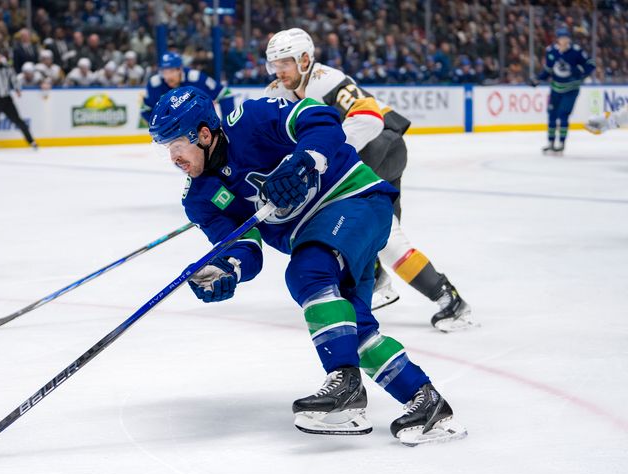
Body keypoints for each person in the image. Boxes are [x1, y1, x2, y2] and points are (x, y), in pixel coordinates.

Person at [149, 86, 467, 446]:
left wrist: (306, 159)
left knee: (307, 271)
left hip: (355, 198)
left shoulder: (251, 119)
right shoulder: (199, 199)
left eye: (177, 145)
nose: (173, 157)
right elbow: (245, 248)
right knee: (354, 330)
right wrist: (226, 270)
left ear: (204, 134)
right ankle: (426, 403)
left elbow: (320, 117)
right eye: (167, 149)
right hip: (329, 234)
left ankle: (345, 388)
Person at [264, 28, 475, 331]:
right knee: (372, 230)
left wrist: (319, 154)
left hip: (382, 145)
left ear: (305, 59)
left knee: (380, 232)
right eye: (274, 64)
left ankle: (447, 297)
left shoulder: (326, 79)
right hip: (362, 153)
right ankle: (380, 282)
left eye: (284, 62)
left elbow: (368, 119)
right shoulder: (278, 93)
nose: (278, 71)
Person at [532, 27, 595, 154]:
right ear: (558, 39)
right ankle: (550, 142)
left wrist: (580, 73)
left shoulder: (576, 51)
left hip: (571, 89)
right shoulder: (551, 51)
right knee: (552, 115)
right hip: (555, 89)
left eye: (566, 37)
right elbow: (548, 70)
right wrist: (538, 79)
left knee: (563, 114)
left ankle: (561, 143)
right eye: (561, 38)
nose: (564, 40)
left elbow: (591, 64)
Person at [141, 51, 234, 124]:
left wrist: (226, 123)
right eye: (164, 72)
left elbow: (225, 94)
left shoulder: (196, 79)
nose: (167, 76)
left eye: (171, 71)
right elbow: (145, 110)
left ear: (180, 69)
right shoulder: (155, 84)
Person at [0, 48, 36, 149]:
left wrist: (17, 89)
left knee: (18, 120)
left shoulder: (7, 67)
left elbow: (13, 78)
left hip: (6, 99)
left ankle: (31, 141)